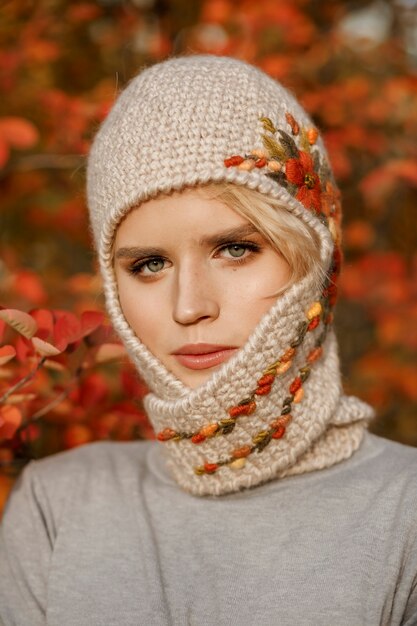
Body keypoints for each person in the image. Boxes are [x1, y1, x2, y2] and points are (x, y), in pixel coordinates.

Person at [1, 54, 417, 626]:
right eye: (149, 264)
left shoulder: (405, 512)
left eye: (236, 248)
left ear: (317, 254)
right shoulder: (58, 506)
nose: (189, 306)